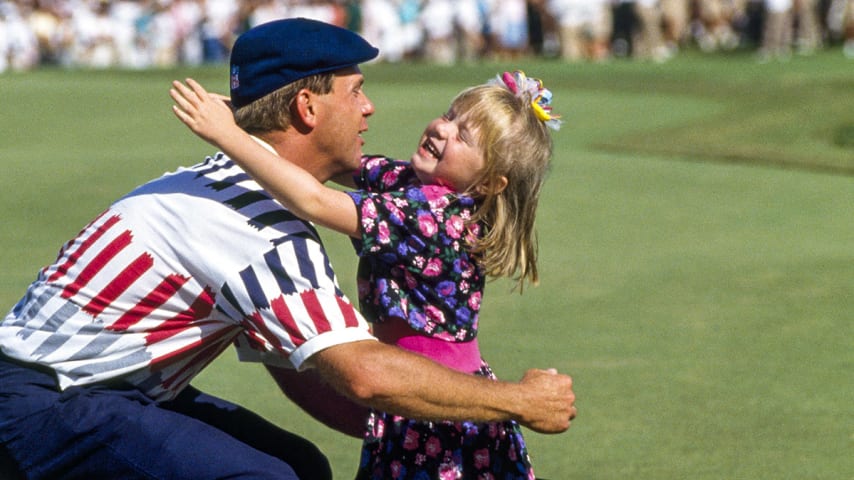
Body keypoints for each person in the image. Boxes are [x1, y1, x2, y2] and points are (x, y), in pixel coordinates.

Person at [0, 17, 576, 480]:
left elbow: (300, 367)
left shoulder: (229, 180)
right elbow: (364, 377)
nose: (370, 108)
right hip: (42, 404)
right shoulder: (260, 228)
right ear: (307, 108)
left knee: (300, 467)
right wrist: (517, 402)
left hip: (100, 391)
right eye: (357, 93)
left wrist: (412, 423)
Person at [170, 65, 563, 478]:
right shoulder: (410, 181)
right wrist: (257, 119)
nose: (441, 130)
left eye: (463, 136)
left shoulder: (435, 216)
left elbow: (316, 202)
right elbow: (326, 158)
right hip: (409, 386)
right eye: (449, 116)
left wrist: (228, 135)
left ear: (488, 184)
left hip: (436, 402)